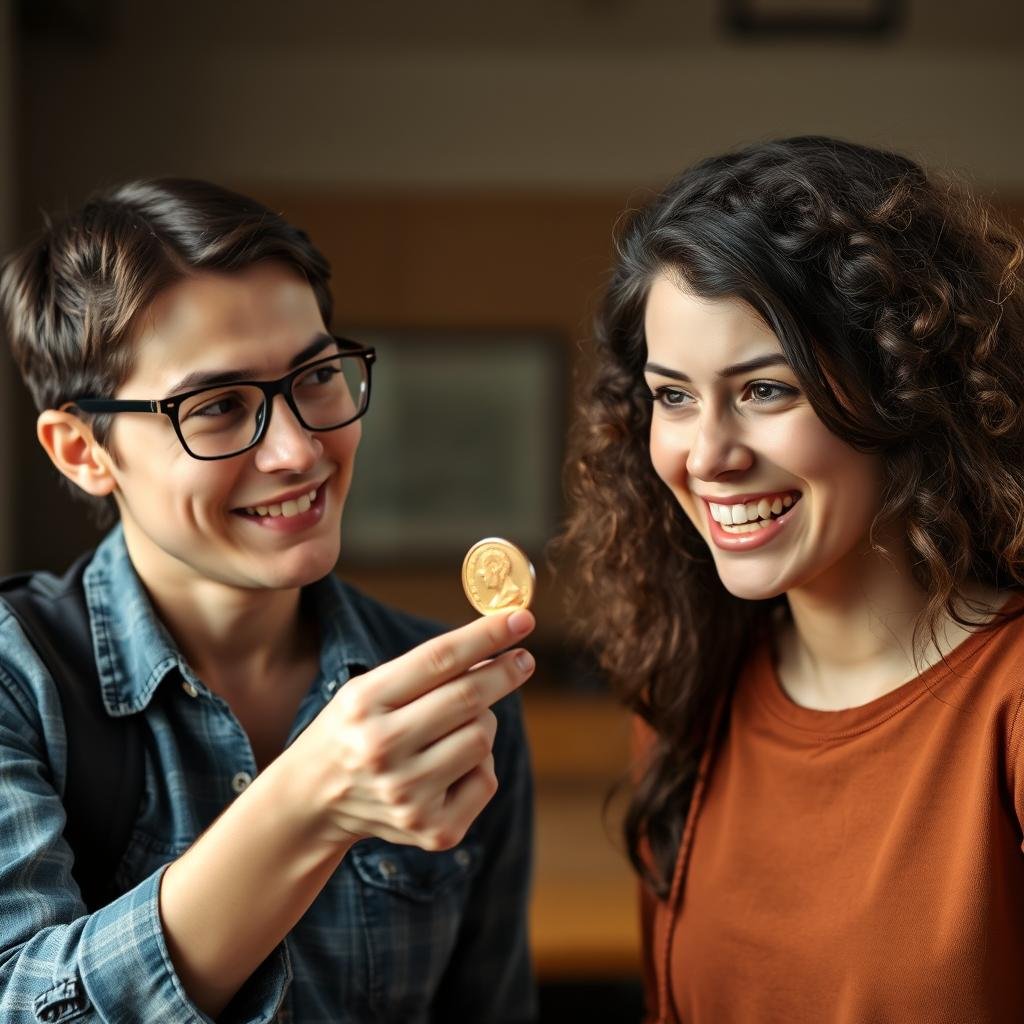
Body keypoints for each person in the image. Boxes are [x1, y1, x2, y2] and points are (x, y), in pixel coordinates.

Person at [0, 179, 537, 1023]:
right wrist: (306, 807)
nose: (298, 449)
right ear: (81, 451)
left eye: (316, 375)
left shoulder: (455, 700)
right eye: (216, 407)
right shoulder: (16, 683)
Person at [559, 136, 1024, 1023]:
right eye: (674, 396)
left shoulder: (1011, 706)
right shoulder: (687, 696)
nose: (708, 457)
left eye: (766, 391)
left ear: (902, 386)